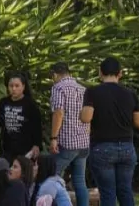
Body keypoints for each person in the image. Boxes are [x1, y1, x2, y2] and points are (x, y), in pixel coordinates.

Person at [80, 57, 139, 206]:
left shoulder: (92, 92)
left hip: (102, 147)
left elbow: (86, 117)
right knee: (125, 190)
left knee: (107, 192)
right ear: (120, 73)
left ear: (100, 73)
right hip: (127, 147)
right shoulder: (130, 94)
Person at [49, 62, 90, 206]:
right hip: (83, 143)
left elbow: (58, 112)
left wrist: (53, 137)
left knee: (53, 177)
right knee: (79, 180)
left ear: (54, 74)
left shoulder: (58, 88)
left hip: (67, 142)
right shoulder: (83, 89)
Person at [0, 72, 43, 161]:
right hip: (6, 149)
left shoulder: (30, 104)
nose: (13, 89)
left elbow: (37, 126)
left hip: (25, 150)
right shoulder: (4, 102)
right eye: (11, 86)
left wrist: (36, 145)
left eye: (17, 86)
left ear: (23, 87)